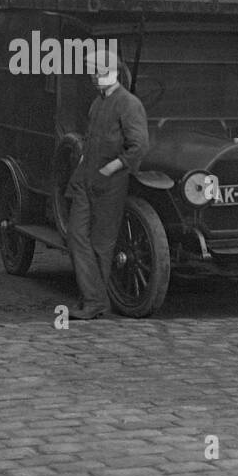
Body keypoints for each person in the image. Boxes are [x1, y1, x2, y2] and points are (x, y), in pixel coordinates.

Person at [65, 48, 149, 320]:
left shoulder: (129, 104)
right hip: (85, 181)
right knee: (77, 237)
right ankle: (94, 299)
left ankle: (94, 302)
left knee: (102, 245)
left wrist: (112, 167)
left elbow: (138, 146)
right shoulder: (97, 103)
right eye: (90, 70)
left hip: (110, 184)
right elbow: (90, 140)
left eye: (95, 69)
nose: (91, 75)